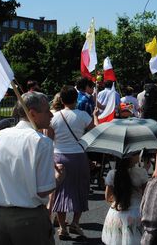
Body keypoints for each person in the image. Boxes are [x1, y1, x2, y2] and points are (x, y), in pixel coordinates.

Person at [0, 91, 63, 245]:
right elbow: (42, 189)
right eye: (47, 111)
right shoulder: (42, 142)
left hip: (0, 217)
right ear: (32, 113)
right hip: (29, 219)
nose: (51, 115)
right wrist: (58, 179)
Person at [49, 85, 97, 240]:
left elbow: (49, 141)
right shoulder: (83, 115)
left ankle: (62, 227)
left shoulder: (54, 117)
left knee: (60, 192)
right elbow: (93, 133)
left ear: (61, 100)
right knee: (80, 189)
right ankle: (75, 222)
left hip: (59, 156)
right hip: (79, 156)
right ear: (76, 99)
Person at [102, 154, 148, 244]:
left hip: (116, 213)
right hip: (136, 213)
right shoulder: (141, 172)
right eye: (136, 154)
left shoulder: (112, 173)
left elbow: (107, 197)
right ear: (131, 158)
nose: (139, 155)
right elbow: (146, 195)